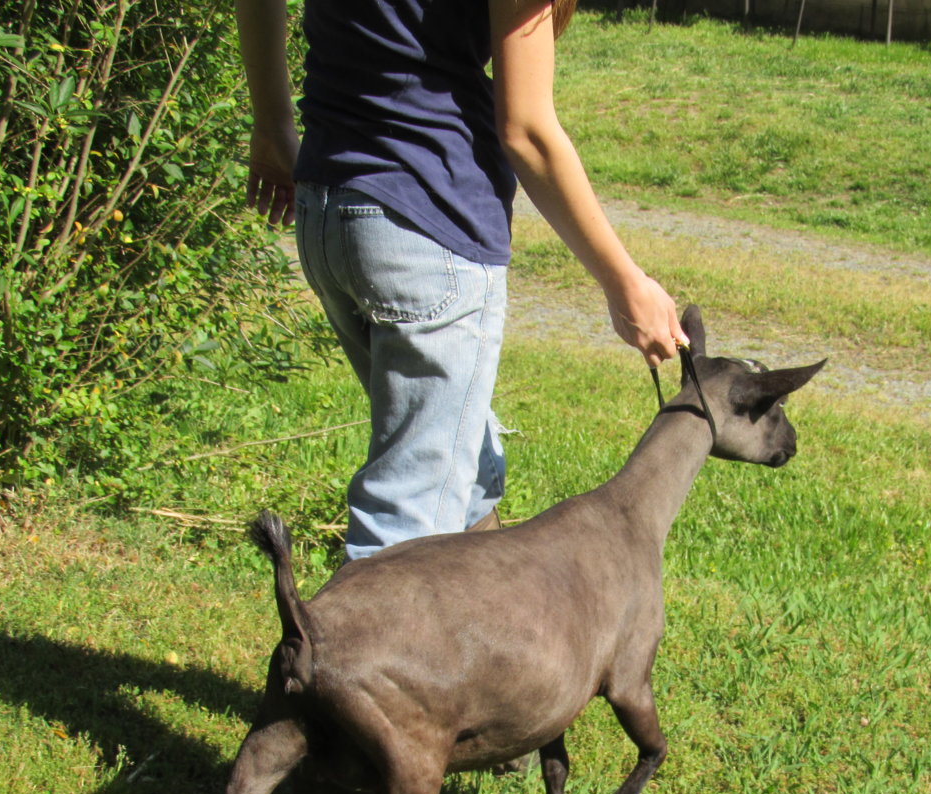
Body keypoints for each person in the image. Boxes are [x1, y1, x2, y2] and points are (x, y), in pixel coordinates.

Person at [234, 0, 687, 560]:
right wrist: (624, 281)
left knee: (465, 462)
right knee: (408, 526)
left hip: (330, 208)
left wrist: (273, 121)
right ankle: (356, 645)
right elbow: (527, 130)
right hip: (427, 221)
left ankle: (492, 639)